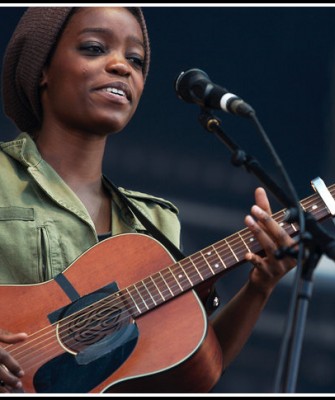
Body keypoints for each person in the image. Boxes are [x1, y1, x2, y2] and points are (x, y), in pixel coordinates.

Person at [0, 7, 297, 393]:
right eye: (94, 48)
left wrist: (259, 287)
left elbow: (190, 373)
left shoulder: (155, 223)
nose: (121, 66)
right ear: (42, 68)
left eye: (135, 60)